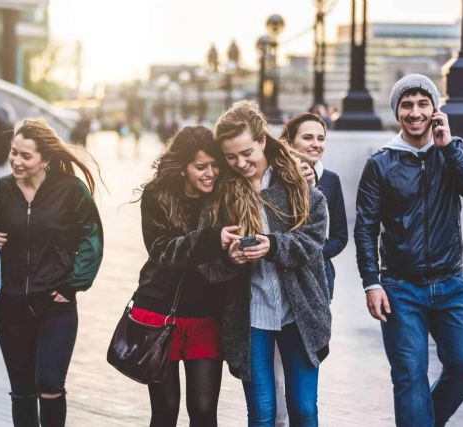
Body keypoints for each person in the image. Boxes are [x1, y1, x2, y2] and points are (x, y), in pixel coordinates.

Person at [354, 74, 463, 427]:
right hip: (400, 288)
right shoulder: (380, 163)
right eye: (407, 105)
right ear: (397, 111)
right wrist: (372, 282)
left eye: (422, 103)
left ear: (435, 109)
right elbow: (365, 228)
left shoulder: (452, 149)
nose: (414, 112)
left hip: (451, 283)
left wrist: (448, 149)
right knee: (409, 378)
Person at [204, 101, 330, 427]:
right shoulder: (221, 193)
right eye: (230, 157)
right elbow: (206, 260)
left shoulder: (296, 179)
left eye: (246, 152)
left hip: (299, 311)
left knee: (303, 409)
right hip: (250, 317)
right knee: (261, 414)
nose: (240, 163)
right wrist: (230, 258)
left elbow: (314, 239)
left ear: (261, 140)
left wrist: (273, 245)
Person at [0, 118, 103, 427]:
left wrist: (70, 287)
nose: (16, 160)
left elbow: (92, 240)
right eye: (14, 152)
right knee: (22, 391)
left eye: (26, 156)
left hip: (55, 306)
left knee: (50, 385)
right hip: (11, 304)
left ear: (46, 159)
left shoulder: (70, 191)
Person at [132, 125, 232, 427]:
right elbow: (162, 251)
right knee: (165, 410)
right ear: (183, 167)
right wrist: (212, 239)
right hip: (160, 314)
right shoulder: (157, 196)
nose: (210, 173)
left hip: (206, 316)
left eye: (215, 165)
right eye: (201, 166)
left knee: (203, 410)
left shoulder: (223, 197)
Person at [280, 113, 347, 299]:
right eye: (307, 137)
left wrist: (313, 254)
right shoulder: (274, 178)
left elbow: (340, 237)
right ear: (290, 142)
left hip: (320, 273)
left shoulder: (331, 179)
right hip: (282, 273)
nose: (316, 144)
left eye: (321, 138)